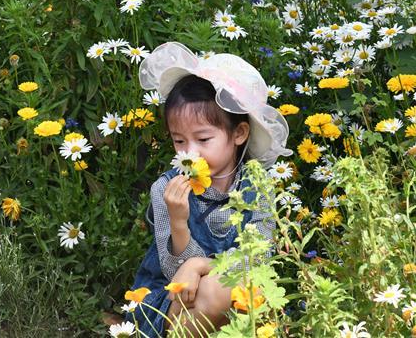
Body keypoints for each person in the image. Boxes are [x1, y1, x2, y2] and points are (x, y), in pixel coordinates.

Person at [125, 42, 292, 337]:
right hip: (174, 301)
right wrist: (178, 221)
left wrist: (201, 265)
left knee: (231, 287)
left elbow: (260, 258)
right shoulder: (166, 189)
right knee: (216, 291)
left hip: (238, 295)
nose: (190, 154)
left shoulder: (257, 187)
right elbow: (174, 274)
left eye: (203, 140)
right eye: (179, 141)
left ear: (239, 133)